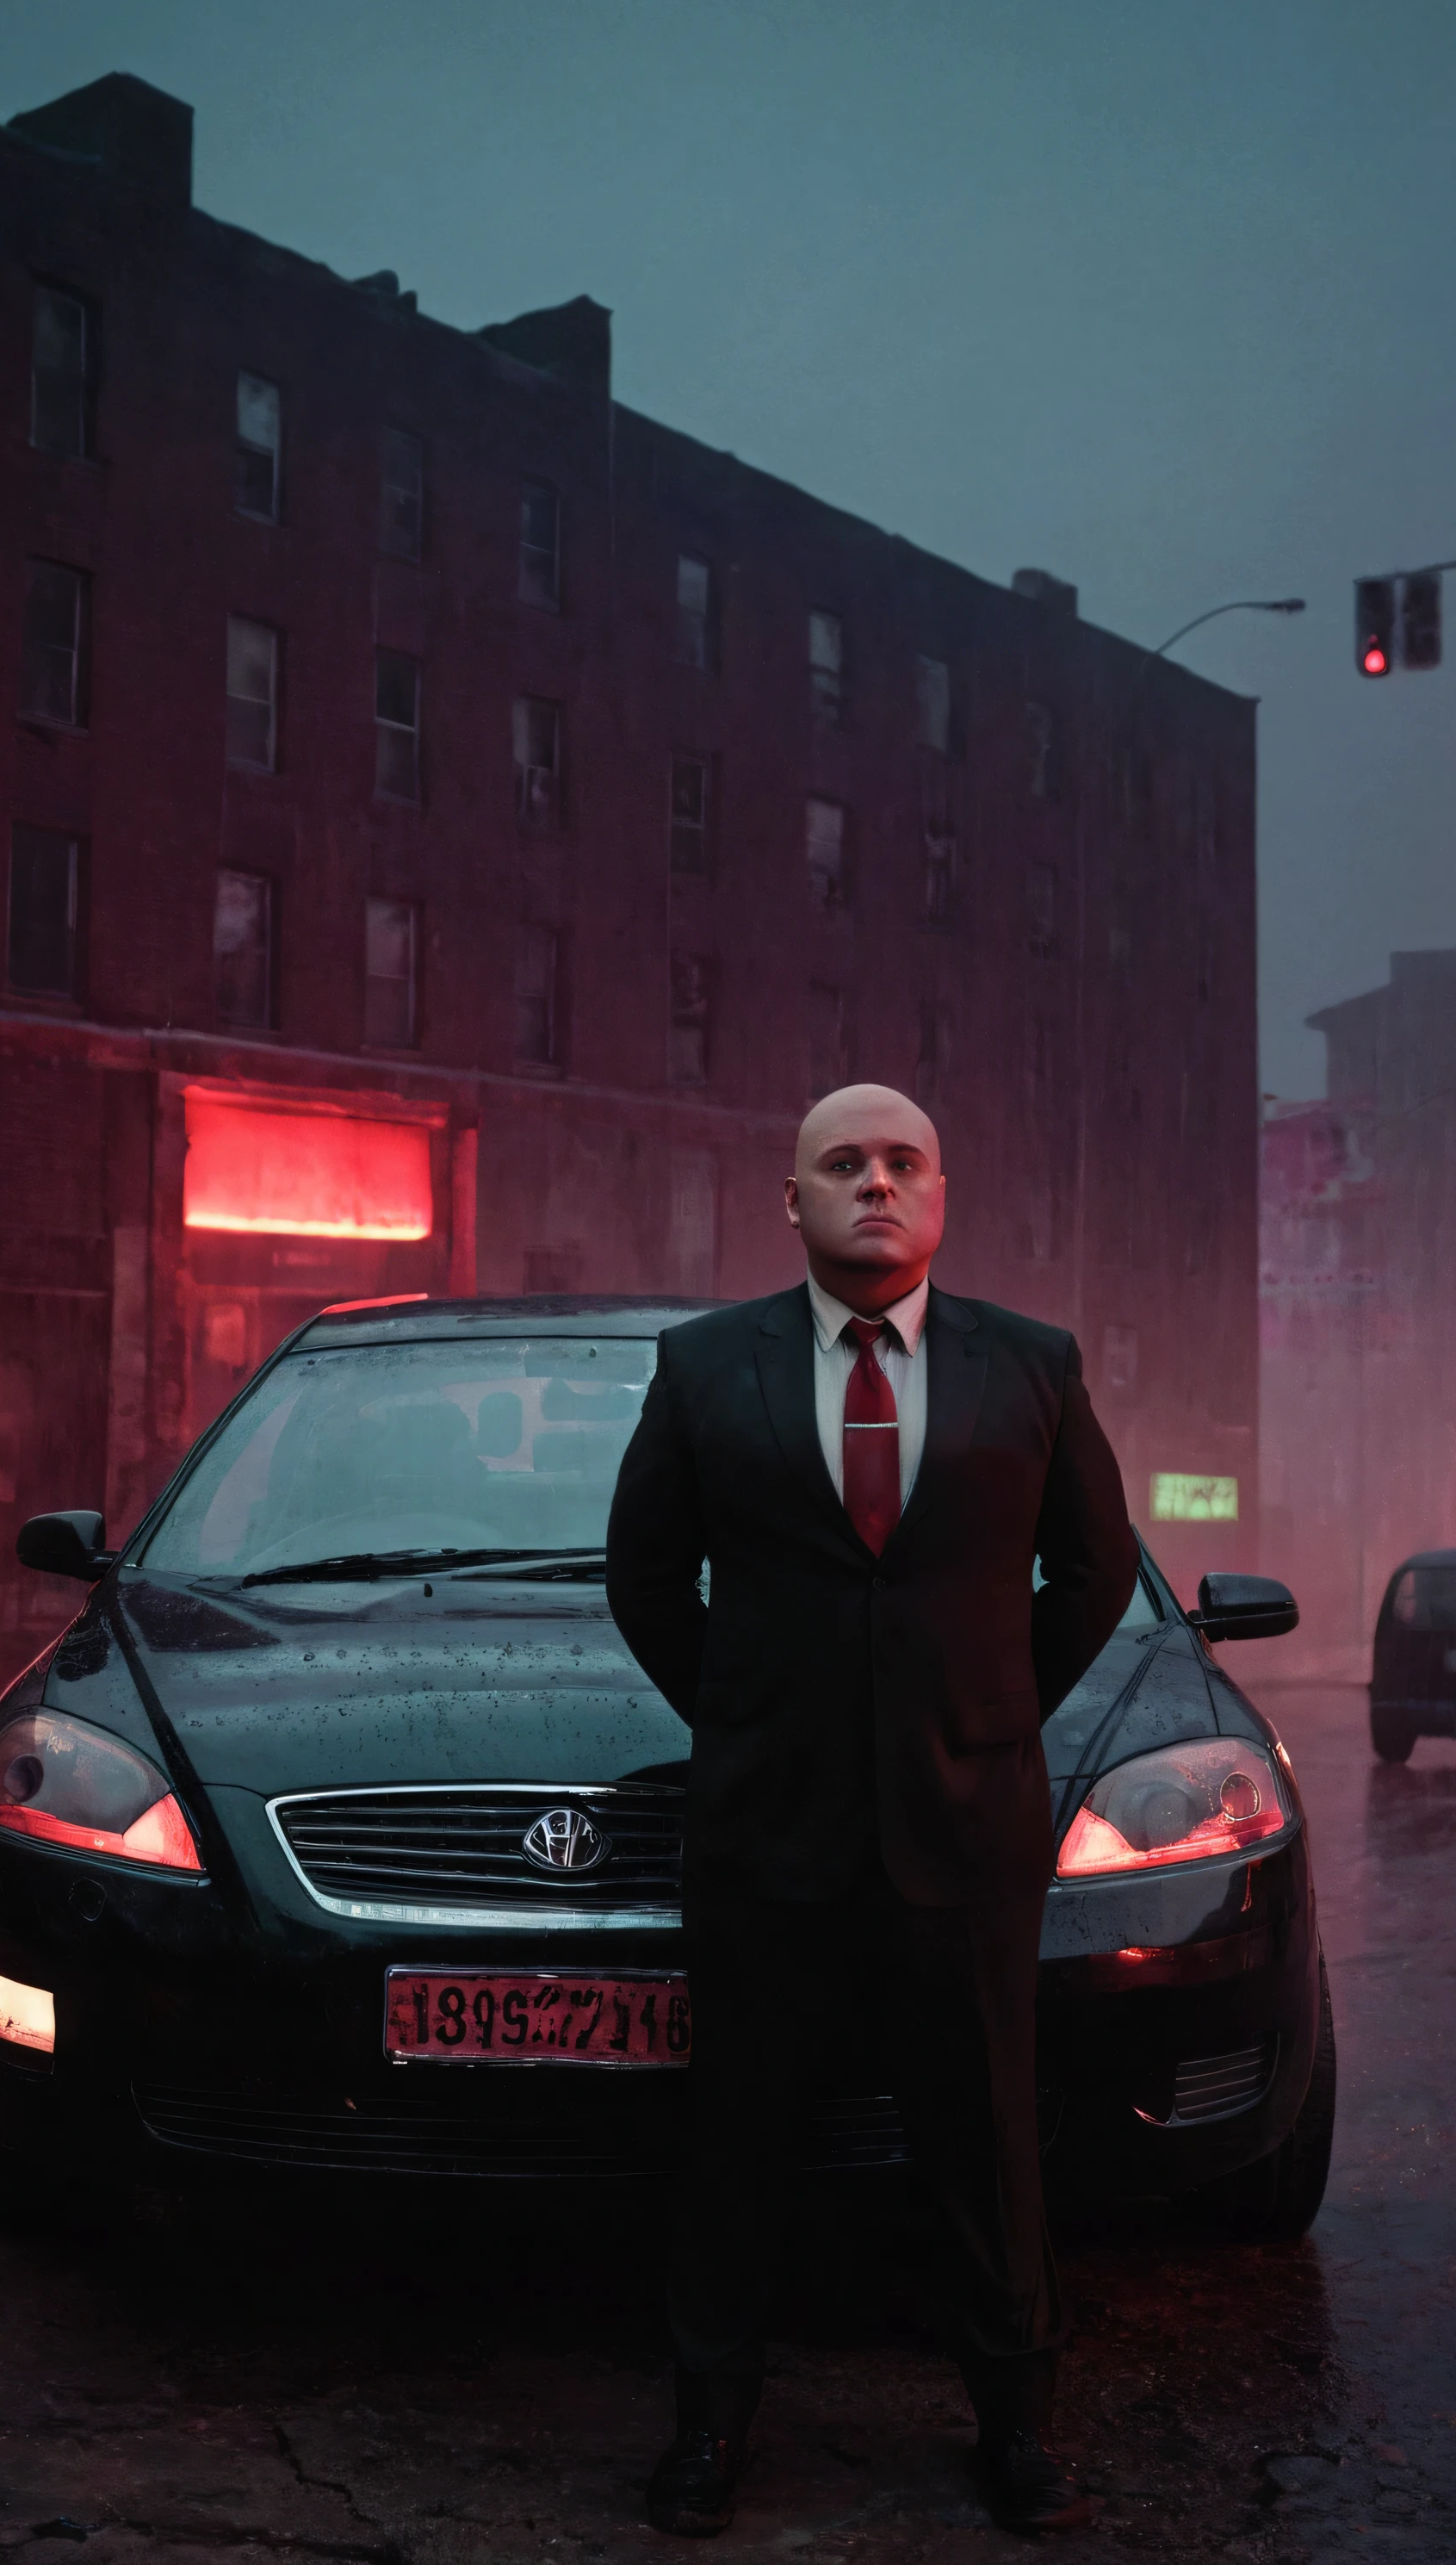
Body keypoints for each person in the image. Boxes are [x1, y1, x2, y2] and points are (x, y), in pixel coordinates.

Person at [605, 1083, 1136, 2537]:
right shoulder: (707, 1368)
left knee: (988, 2140)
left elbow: (1092, 1571)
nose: (876, 1186)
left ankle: (1018, 2426)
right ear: (793, 1201)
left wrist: (990, 1712)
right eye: (843, 1165)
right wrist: (747, 1716)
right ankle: (708, 2429)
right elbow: (645, 1578)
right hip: (765, 1832)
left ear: (943, 1196)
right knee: (737, 2139)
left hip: (968, 1832)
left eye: (904, 1164)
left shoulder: (1032, 1368)